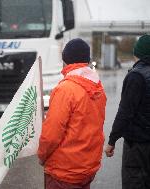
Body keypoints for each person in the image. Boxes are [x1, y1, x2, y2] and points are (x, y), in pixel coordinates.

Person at [37, 38, 107, 189]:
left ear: (65, 59)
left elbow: (51, 135)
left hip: (64, 171)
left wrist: (42, 155)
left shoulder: (65, 89)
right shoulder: (97, 87)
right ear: (87, 60)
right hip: (87, 167)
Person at [105, 35, 150, 189]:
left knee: (134, 182)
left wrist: (112, 140)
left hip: (138, 144)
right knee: (148, 183)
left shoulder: (136, 76)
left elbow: (125, 112)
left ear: (137, 52)